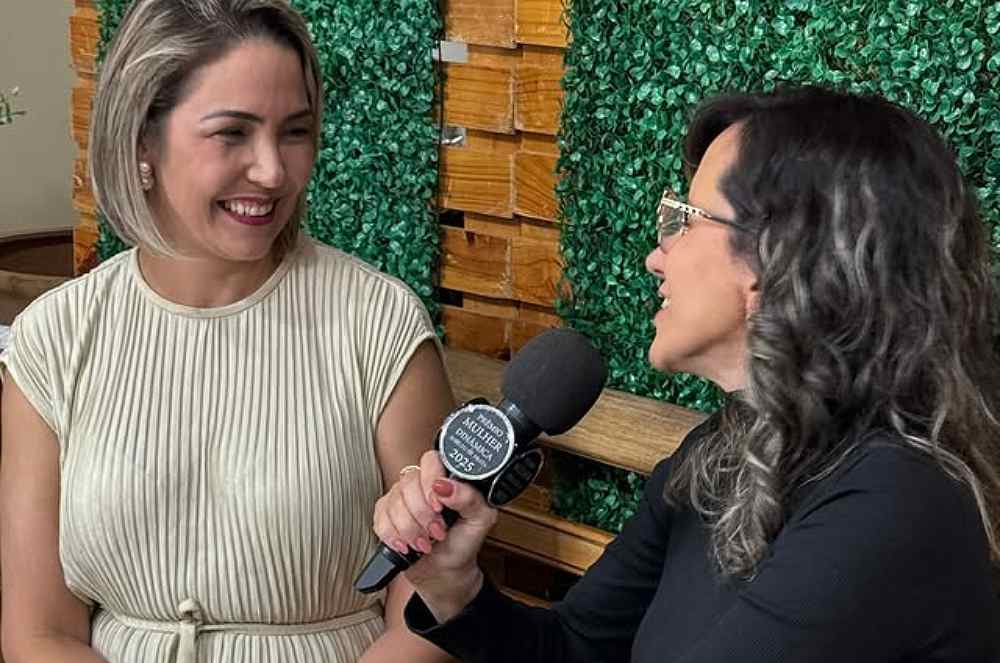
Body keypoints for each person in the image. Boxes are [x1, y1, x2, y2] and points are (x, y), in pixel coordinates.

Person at [372, 86, 1000, 662]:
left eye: (686, 219)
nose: (655, 255)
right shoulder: (722, 451)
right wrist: (452, 585)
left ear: (778, 258)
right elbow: (574, 649)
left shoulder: (897, 501)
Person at [0, 1, 455, 662]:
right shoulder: (54, 341)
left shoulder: (379, 325)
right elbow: (38, 631)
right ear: (142, 142)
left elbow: (429, 613)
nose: (273, 171)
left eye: (294, 132)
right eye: (232, 133)